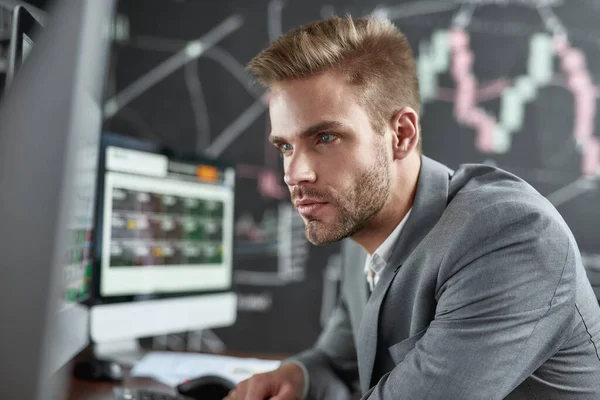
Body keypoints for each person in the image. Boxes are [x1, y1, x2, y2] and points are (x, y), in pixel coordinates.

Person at [225, 15, 600, 400]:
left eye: (325, 137)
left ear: (401, 135)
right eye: (285, 146)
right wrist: (297, 376)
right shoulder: (364, 228)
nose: (293, 173)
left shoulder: (511, 237)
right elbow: (339, 363)